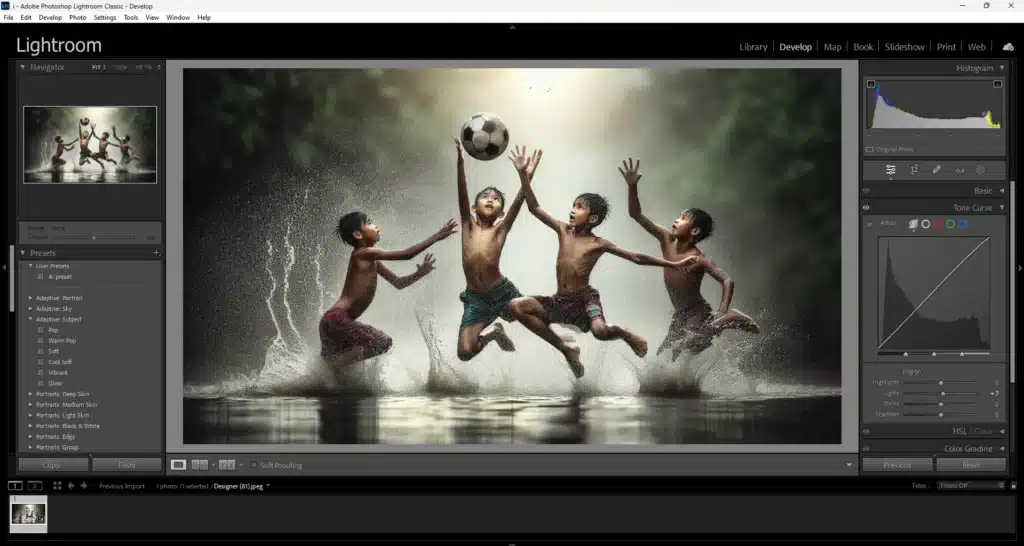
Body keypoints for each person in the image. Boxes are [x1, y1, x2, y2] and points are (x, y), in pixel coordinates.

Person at [508, 157, 697, 379]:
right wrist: (523, 175)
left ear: (593, 219)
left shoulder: (599, 243)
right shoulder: (563, 230)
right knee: (516, 306)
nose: (572, 210)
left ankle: (624, 334)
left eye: (579, 208)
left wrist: (673, 263)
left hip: (585, 299)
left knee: (601, 332)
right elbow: (534, 207)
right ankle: (566, 348)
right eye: (573, 206)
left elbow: (636, 257)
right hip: (560, 300)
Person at [620, 157, 760, 359]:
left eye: (683, 218)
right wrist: (632, 186)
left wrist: (721, 310)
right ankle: (684, 382)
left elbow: (727, 280)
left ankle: (729, 318)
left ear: (694, 231)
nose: (676, 220)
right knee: (664, 358)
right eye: (678, 216)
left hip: (697, 312)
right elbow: (636, 215)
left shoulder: (698, 258)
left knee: (690, 344)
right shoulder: (666, 239)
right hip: (681, 315)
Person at [319, 212, 458, 380]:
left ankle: (331, 370)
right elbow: (407, 254)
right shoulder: (363, 253)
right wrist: (437, 236)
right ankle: (333, 366)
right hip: (337, 319)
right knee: (382, 342)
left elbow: (398, 283)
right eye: (369, 222)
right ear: (358, 234)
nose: (375, 225)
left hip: (334, 322)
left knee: (342, 376)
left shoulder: (373, 260)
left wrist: (419, 273)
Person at [452, 138, 540, 361]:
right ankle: (494, 333)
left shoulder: (500, 229)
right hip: (475, 299)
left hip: (501, 292)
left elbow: (520, 201)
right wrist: (461, 162)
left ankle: (568, 328)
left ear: (501, 213)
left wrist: (526, 175)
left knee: (537, 317)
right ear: (474, 208)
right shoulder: (467, 225)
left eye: (496, 199)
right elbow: (462, 194)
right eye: (485, 197)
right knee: (464, 353)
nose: (491, 200)